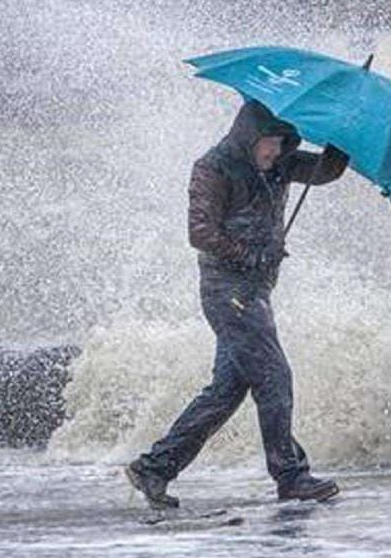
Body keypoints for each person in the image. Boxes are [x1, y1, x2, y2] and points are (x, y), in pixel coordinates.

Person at [126, 100, 349, 507]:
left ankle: (154, 468)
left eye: (282, 143)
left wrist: (342, 138)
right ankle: (291, 476)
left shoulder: (280, 163)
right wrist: (250, 255)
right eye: (269, 142)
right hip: (227, 291)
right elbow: (200, 232)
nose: (275, 151)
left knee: (226, 391)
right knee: (274, 376)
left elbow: (324, 171)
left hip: (256, 291)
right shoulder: (213, 168)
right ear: (249, 137)